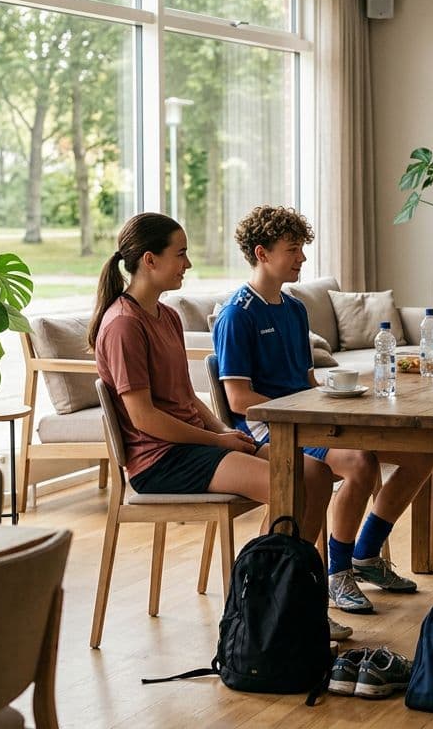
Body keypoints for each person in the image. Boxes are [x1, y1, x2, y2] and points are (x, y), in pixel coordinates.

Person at [88, 212, 352, 641]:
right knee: (291, 484)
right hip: (160, 460)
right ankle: (262, 613)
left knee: (316, 474)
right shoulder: (123, 325)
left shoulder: (167, 316)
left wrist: (229, 435)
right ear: (150, 261)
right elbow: (144, 418)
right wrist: (215, 438)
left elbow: (186, 399)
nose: (188, 264)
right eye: (181, 254)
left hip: (195, 446)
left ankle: (286, 601)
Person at [213, 205, 433, 617]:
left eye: (302, 249)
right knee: (360, 463)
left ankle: (366, 556)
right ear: (262, 254)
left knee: (422, 452)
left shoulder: (295, 309)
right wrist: (305, 410)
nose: (301, 259)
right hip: (275, 432)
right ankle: (337, 575)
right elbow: (239, 400)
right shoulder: (236, 316)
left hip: (314, 420)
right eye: (292, 250)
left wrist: (342, 401)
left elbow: (308, 381)